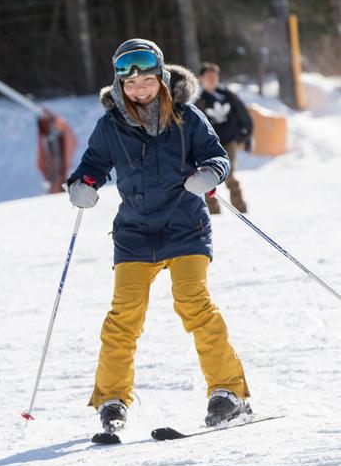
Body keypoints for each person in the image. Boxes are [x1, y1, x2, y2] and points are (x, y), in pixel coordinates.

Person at [65, 39, 251, 441]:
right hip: (134, 232)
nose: (140, 89)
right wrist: (82, 185)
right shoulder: (110, 125)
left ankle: (229, 392)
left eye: (147, 80)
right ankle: (112, 399)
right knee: (123, 316)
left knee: (193, 302)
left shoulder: (187, 117)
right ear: (119, 86)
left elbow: (216, 157)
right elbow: (92, 166)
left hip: (185, 227)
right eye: (131, 84)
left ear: (161, 78)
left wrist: (210, 174)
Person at [195, 62, 254, 214]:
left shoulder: (228, 96)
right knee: (207, 178)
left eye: (215, 76)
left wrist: (245, 134)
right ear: (201, 78)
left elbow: (243, 114)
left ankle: (241, 209)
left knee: (229, 174)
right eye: (209, 77)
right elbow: (194, 125)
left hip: (228, 142)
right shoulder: (200, 101)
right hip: (207, 145)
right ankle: (212, 211)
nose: (212, 79)